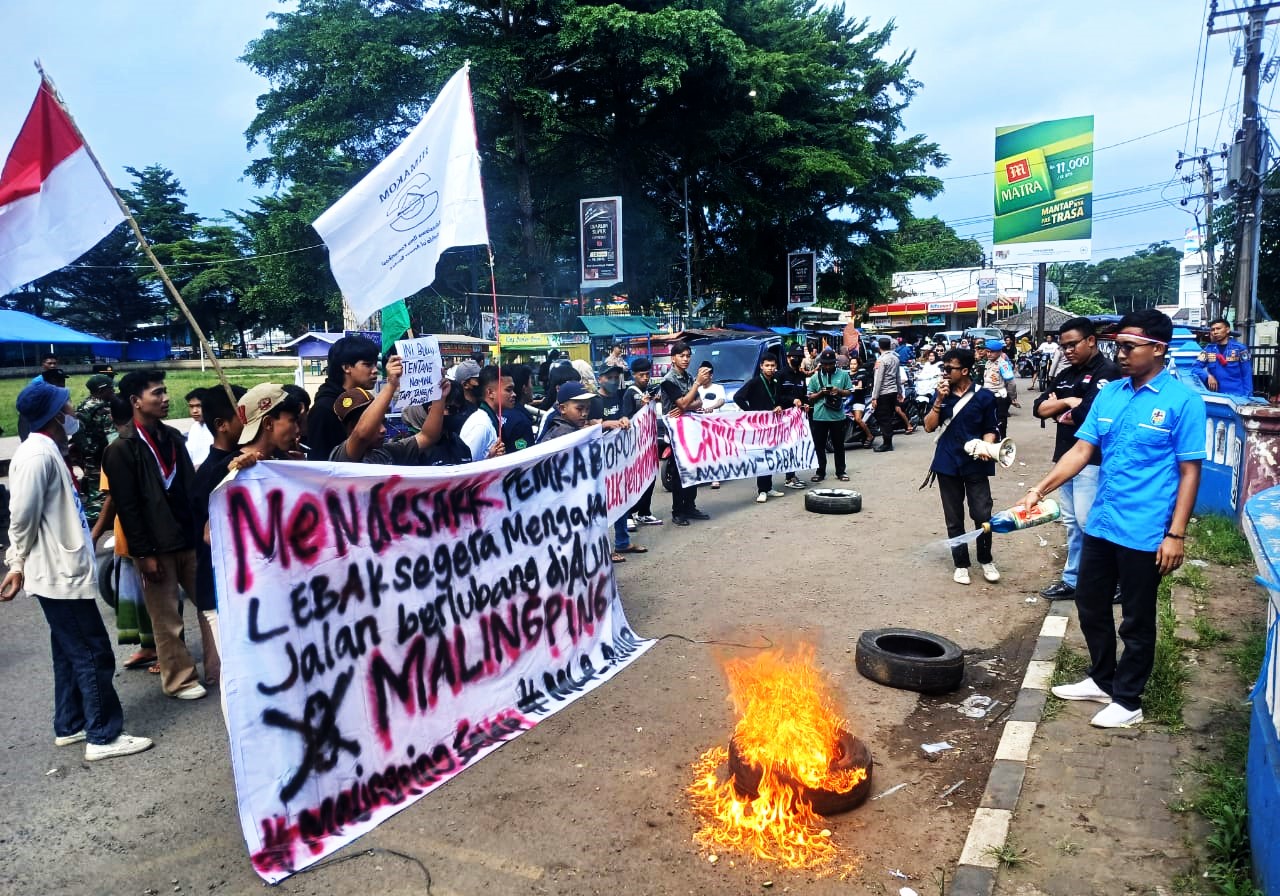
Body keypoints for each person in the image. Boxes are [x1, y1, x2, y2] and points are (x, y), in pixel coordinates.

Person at [1024, 310, 1206, 728]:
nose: (1120, 354)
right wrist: (1039, 489)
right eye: (1117, 346)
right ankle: (1102, 679)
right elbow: (1081, 450)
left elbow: (1189, 471)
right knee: (1089, 602)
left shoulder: (1182, 402)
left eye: (1129, 347)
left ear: (1158, 349)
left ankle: (1128, 700)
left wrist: (1176, 534)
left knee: (1137, 618)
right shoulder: (1110, 395)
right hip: (1103, 523)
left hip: (1145, 530)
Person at [3, 381, 153, 761]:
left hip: (62, 570)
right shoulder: (37, 456)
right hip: (58, 574)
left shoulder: (48, 450)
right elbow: (21, 518)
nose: (73, 412)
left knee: (69, 653)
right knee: (93, 653)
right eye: (67, 406)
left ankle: (70, 724)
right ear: (56, 415)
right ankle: (103, 735)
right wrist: (16, 563)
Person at [100, 370, 208, 700]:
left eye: (164, 392)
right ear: (135, 402)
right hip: (155, 547)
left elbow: (191, 487)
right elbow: (128, 508)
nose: (165, 399)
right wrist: (143, 554)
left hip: (187, 538)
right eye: (156, 394)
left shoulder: (174, 438)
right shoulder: (121, 450)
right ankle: (180, 680)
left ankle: (219, 667)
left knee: (208, 606)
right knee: (166, 619)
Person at [1032, 317, 1122, 600]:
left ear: (1091, 341)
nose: (1068, 351)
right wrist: (1068, 402)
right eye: (1064, 346)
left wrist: (1069, 408)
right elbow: (1038, 408)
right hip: (1065, 459)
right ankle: (1073, 580)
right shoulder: (1066, 375)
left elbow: (1087, 416)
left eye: (1073, 344)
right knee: (1072, 524)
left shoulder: (1109, 372)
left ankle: (1114, 580)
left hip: (1091, 461)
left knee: (1090, 523)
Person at [187, 384, 249, 688]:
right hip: (218, 589)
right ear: (222, 425)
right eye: (243, 417)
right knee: (234, 676)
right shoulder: (213, 475)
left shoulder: (250, 463)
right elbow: (209, 536)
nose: (251, 423)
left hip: (243, 587)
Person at [923, 349, 1001, 585]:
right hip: (947, 463)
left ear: (965, 371)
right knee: (954, 518)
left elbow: (991, 428)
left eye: (949, 369)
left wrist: (987, 447)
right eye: (943, 368)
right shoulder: (940, 394)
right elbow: (928, 427)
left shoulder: (985, 396)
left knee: (982, 514)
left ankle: (986, 559)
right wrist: (938, 400)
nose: (944, 373)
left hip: (976, 463)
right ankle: (961, 564)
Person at [91, 396, 156, 673]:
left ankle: (165, 652)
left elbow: (112, 500)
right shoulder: (140, 444)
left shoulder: (117, 449)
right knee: (141, 597)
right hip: (133, 534)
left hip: (138, 536)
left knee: (154, 598)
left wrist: (93, 535)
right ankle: (150, 647)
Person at [331, 358, 459, 466]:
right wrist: (392, 384)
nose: (383, 430)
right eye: (375, 425)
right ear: (351, 428)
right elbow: (361, 435)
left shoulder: (387, 453)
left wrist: (439, 396)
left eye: (383, 422)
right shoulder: (342, 459)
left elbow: (428, 437)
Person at [659, 340, 712, 525]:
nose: (686, 359)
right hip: (675, 433)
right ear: (673, 358)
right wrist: (696, 386)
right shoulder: (668, 380)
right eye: (682, 356)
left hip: (691, 430)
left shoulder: (689, 378)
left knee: (693, 468)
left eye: (688, 356)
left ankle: (690, 506)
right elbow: (681, 403)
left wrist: (684, 405)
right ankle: (678, 511)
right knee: (679, 472)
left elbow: (699, 403)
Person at [735, 352, 798, 502]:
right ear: (761, 366)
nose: (770, 368)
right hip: (759, 425)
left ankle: (768, 488)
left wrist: (779, 406)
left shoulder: (776, 382)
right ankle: (762, 490)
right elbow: (738, 397)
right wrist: (752, 413)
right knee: (761, 456)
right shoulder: (755, 382)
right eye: (767, 366)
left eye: (772, 366)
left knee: (770, 454)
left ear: (776, 367)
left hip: (773, 424)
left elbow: (779, 399)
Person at [306, 335, 380, 460]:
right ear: (346, 367)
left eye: (375, 364)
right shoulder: (324, 410)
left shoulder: (364, 401)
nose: (375, 370)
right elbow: (319, 463)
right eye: (368, 365)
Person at [621, 358, 662, 526]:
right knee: (634, 479)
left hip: (649, 442)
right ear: (633, 375)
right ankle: (629, 514)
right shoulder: (630, 393)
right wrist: (641, 407)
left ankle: (645, 511)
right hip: (635, 444)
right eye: (641, 375)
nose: (645, 378)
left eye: (647, 374)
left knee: (650, 476)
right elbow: (626, 418)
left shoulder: (650, 390)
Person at [71, 373, 116, 515]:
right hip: (98, 454)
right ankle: (93, 518)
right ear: (101, 390)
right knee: (100, 490)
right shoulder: (100, 408)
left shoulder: (85, 405)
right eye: (110, 388)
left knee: (95, 486)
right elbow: (112, 437)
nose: (113, 391)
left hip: (90, 452)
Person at [806, 348, 851, 482]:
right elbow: (810, 397)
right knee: (819, 446)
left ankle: (841, 471)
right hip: (819, 417)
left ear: (835, 363)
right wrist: (821, 393)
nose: (828, 366)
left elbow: (849, 392)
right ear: (821, 363)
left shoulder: (843, 375)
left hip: (838, 416)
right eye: (825, 364)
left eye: (830, 363)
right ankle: (820, 472)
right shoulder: (815, 377)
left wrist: (838, 391)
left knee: (839, 445)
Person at [459, 364, 515, 461]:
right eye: (508, 390)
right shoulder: (481, 425)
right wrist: (489, 458)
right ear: (490, 393)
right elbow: (465, 469)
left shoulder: (491, 419)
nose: (514, 394)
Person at [1193, 317, 1253, 397]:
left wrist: (1248, 396)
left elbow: (1247, 374)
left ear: (1227, 330)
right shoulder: (1208, 350)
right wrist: (1208, 376)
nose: (1215, 332)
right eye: (1213, 330)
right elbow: (1195, 368)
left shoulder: (1240, 349)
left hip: (1237, 396)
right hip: (1216, 396)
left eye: (1218, 329)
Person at [776, 348, 810, 486]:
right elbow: (777, 396)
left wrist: (806, 403)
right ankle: (788, 477)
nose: (796, 359)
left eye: (799, 357)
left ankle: (791, 476)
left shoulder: (801, 375)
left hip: (797, 417)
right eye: (793, 357)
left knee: (795, 446)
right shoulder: (780, 374)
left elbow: (804, 394)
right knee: (785, 447)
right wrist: (792, 400)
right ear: (788, 357)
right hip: (783, 416)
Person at [870, 337, 902, 452]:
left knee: (883, 418)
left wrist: (874, 397)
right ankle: (888, 441)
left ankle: (887, 443)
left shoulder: (881, 360)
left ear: (879, 347)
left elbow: (878, 379)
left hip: (883, 392)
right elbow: (898, 376)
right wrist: (900, 391)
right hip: (893, 391)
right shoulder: (895, 358)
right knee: (888, 417)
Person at [982, 338, 1017, 439]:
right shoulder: (988, 363)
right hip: (987, 396)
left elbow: (1011, 383)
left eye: (991, 352)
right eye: (987, 351)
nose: (989, 354)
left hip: (999, 396)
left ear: (999, 352)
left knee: (1000, 421)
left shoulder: (1003, 364)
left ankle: (1001, 441)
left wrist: (1011, 397)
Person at [845, 354, 874, 447]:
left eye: (854, 364)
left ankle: (869, 435)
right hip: (847, 400)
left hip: (858, 401)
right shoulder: (846, 375)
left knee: (858, 419)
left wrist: (854, 387)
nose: (852, 366)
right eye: (851, 364)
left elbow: (859, 386)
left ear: (858, 365)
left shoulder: (861, 375)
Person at [184, 389, 214, 467]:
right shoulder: (194, 427)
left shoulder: (216, 428)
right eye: (191, 406)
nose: (194, 411)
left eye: (198, 406)